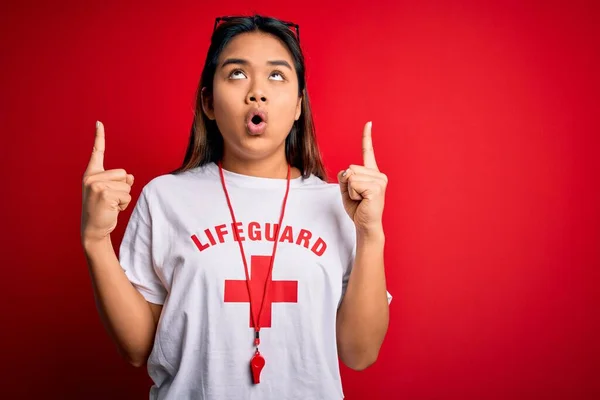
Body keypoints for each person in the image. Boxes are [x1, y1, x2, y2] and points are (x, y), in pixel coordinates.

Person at [80, 14, 392, 400]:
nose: (257, 92)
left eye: (276, 76)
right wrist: (96, 240)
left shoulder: (340, 204)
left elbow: (359, 354)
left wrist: (370, 234)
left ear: (298, 106)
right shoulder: (165, 197)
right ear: (209, 103)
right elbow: (137, 348)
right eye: (236, 74)